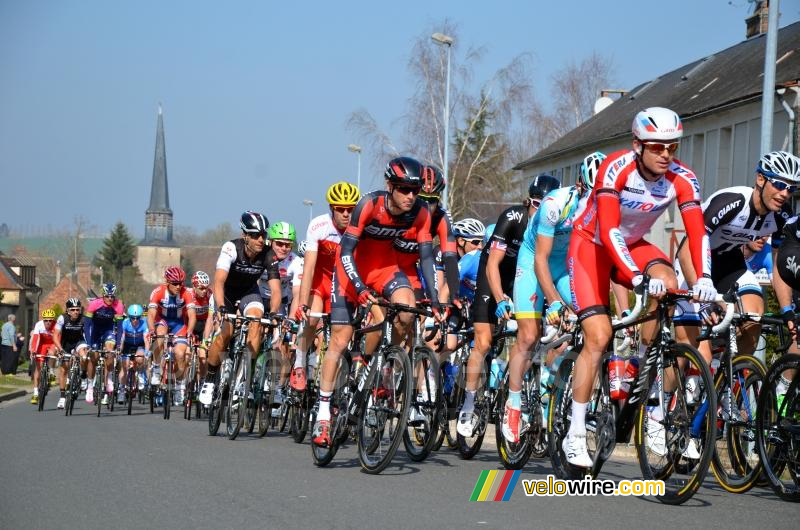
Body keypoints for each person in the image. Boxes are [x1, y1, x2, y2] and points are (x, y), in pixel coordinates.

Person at [564, 107, 714, 467]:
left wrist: (705, 277)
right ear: (638, 145)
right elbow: (611, 229)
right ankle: (575, 430)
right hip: (592, 245)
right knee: (598, 337)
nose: (666, 155)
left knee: (670, 282)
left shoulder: (682, 178)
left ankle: (646, 370)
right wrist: (634, 277)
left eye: (672, 147)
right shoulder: (615, 168)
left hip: (633, 243)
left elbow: (697, 232)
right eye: (657, 147)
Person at [311, 156, 442, 447]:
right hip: (352, 271)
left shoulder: (420, 213)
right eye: (404, 189)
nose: (411, 196)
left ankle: (385, 366)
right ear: (390, 186)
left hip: (385, 270)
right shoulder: (369, 204)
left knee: (407, 311)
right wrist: (359, 289)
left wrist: (434, 300)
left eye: (415, 190)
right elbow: (345, 251)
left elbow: (426, 257)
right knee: (341, 338)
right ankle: (322, 413)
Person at [502, 152, 603, 443]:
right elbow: (541, 260)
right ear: (579, 185)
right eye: (589, 193)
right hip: (535, 261)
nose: (592, 201)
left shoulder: (603, 207)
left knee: (594, 327)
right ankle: (514, 403)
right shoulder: (553, 205)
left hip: (566, 265)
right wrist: (555, 300)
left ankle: (571, 397)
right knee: (529, 335)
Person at [457, 174, 559, 437]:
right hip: (494, 274)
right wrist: (501, 298)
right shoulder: (513, 219)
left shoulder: (554, 226)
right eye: (536, 203)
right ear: (528, 201)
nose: (540, 211)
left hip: (524, 276)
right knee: (483, 341)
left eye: (546, 205)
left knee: (531, 339)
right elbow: (492, 264)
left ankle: (512, 394)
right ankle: (468, 403)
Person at [198, 211, 282, 405]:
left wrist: (275, 312)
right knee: (226, 333)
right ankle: (210, 380)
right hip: (226, 293)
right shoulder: (231, 248)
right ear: (245, 235)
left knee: (257, 320)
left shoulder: (269, 254)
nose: (261, 239)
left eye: (263, 234)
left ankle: (245, 381)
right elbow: (218, 282)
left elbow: (276, 290)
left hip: (248, 293)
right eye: (255, 235)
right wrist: (220, 307)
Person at [295, 182, 361, 392]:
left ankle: (332, 385)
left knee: (340, 335)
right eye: (340, 209)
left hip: (341, 286)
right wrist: (302, 304)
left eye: (350, 209)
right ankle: (299, 363)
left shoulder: (360, 229)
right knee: (312, 319)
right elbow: (310, 267)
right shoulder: (318, 226)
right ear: (332, 208)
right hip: (319, 282)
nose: (345, 214)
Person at [147, 266, 196, 406]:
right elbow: (151, 314)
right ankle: (156, 367)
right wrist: (151, 330)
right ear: (167, 282)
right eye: (175, 283)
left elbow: (192, 316)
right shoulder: (158, 292)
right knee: (160, 335)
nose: (178, 286)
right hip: (162, 322)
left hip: (179, 325)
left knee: (180, 354)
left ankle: (179, 386)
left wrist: (190, 331)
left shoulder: (187, 293)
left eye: (181, 282)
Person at [83, 282, 125, 404]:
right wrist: (89, 344)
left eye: (112, 296)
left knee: (110, 351)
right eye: (107, 296)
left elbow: (120, 327)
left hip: (108, 330)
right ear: (103, 296)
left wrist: (118, 345)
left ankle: (110, 379)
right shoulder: (94, 304)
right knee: (93, 357)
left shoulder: (118, 306)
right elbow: (87, 325)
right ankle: (90, 387)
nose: (110, 299)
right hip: (95, 331)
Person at [52, 298, 89, 409]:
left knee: (84, 356)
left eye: (77, 309)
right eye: (72, 310)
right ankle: (62, 397)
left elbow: (88, 334)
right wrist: (60, 349)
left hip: (79, 342)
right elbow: (55, 335)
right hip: (66, 344)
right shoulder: (62, 318)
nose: (75, 312)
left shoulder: (84, 319)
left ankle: (83, 375)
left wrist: (88, 347)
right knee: (64, 369)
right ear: (68, 310)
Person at [120, 304, 151, 393]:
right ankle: (121, 389)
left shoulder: (144, 323)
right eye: (133, 318)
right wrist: (119, 349)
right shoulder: (125, 323)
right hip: (127, 345)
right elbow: (122, 339)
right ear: (129, 317)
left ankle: (141, 374)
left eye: (137, 318)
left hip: (140, 345)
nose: (135, 320)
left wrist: (147, 353)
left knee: (140, 358)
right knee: (124, 366)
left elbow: (146, 340)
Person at [29, 309, 57, 404]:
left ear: (53, 320)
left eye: (50, 320)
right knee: (38, 368)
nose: (48, 322)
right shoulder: (39, 325)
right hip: (42, 344)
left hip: (53, 343)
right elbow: (36, 338)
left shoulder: (56, 326)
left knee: (52, 354)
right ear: (43, 320)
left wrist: (56, 349)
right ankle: (35, 393)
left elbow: (58, 339)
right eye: (46, 320)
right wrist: (33, 350)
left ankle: (52, 372)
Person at [188, 271, 212, 383]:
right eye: (201, 288)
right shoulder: (188, 294)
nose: (204, 291)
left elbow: (213, 317)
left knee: (203, 356)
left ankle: (202, 381)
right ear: (194, 286)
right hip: (190, 323)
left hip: (204, 325)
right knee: (186, 352)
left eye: (206, 288)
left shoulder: (210, 295)